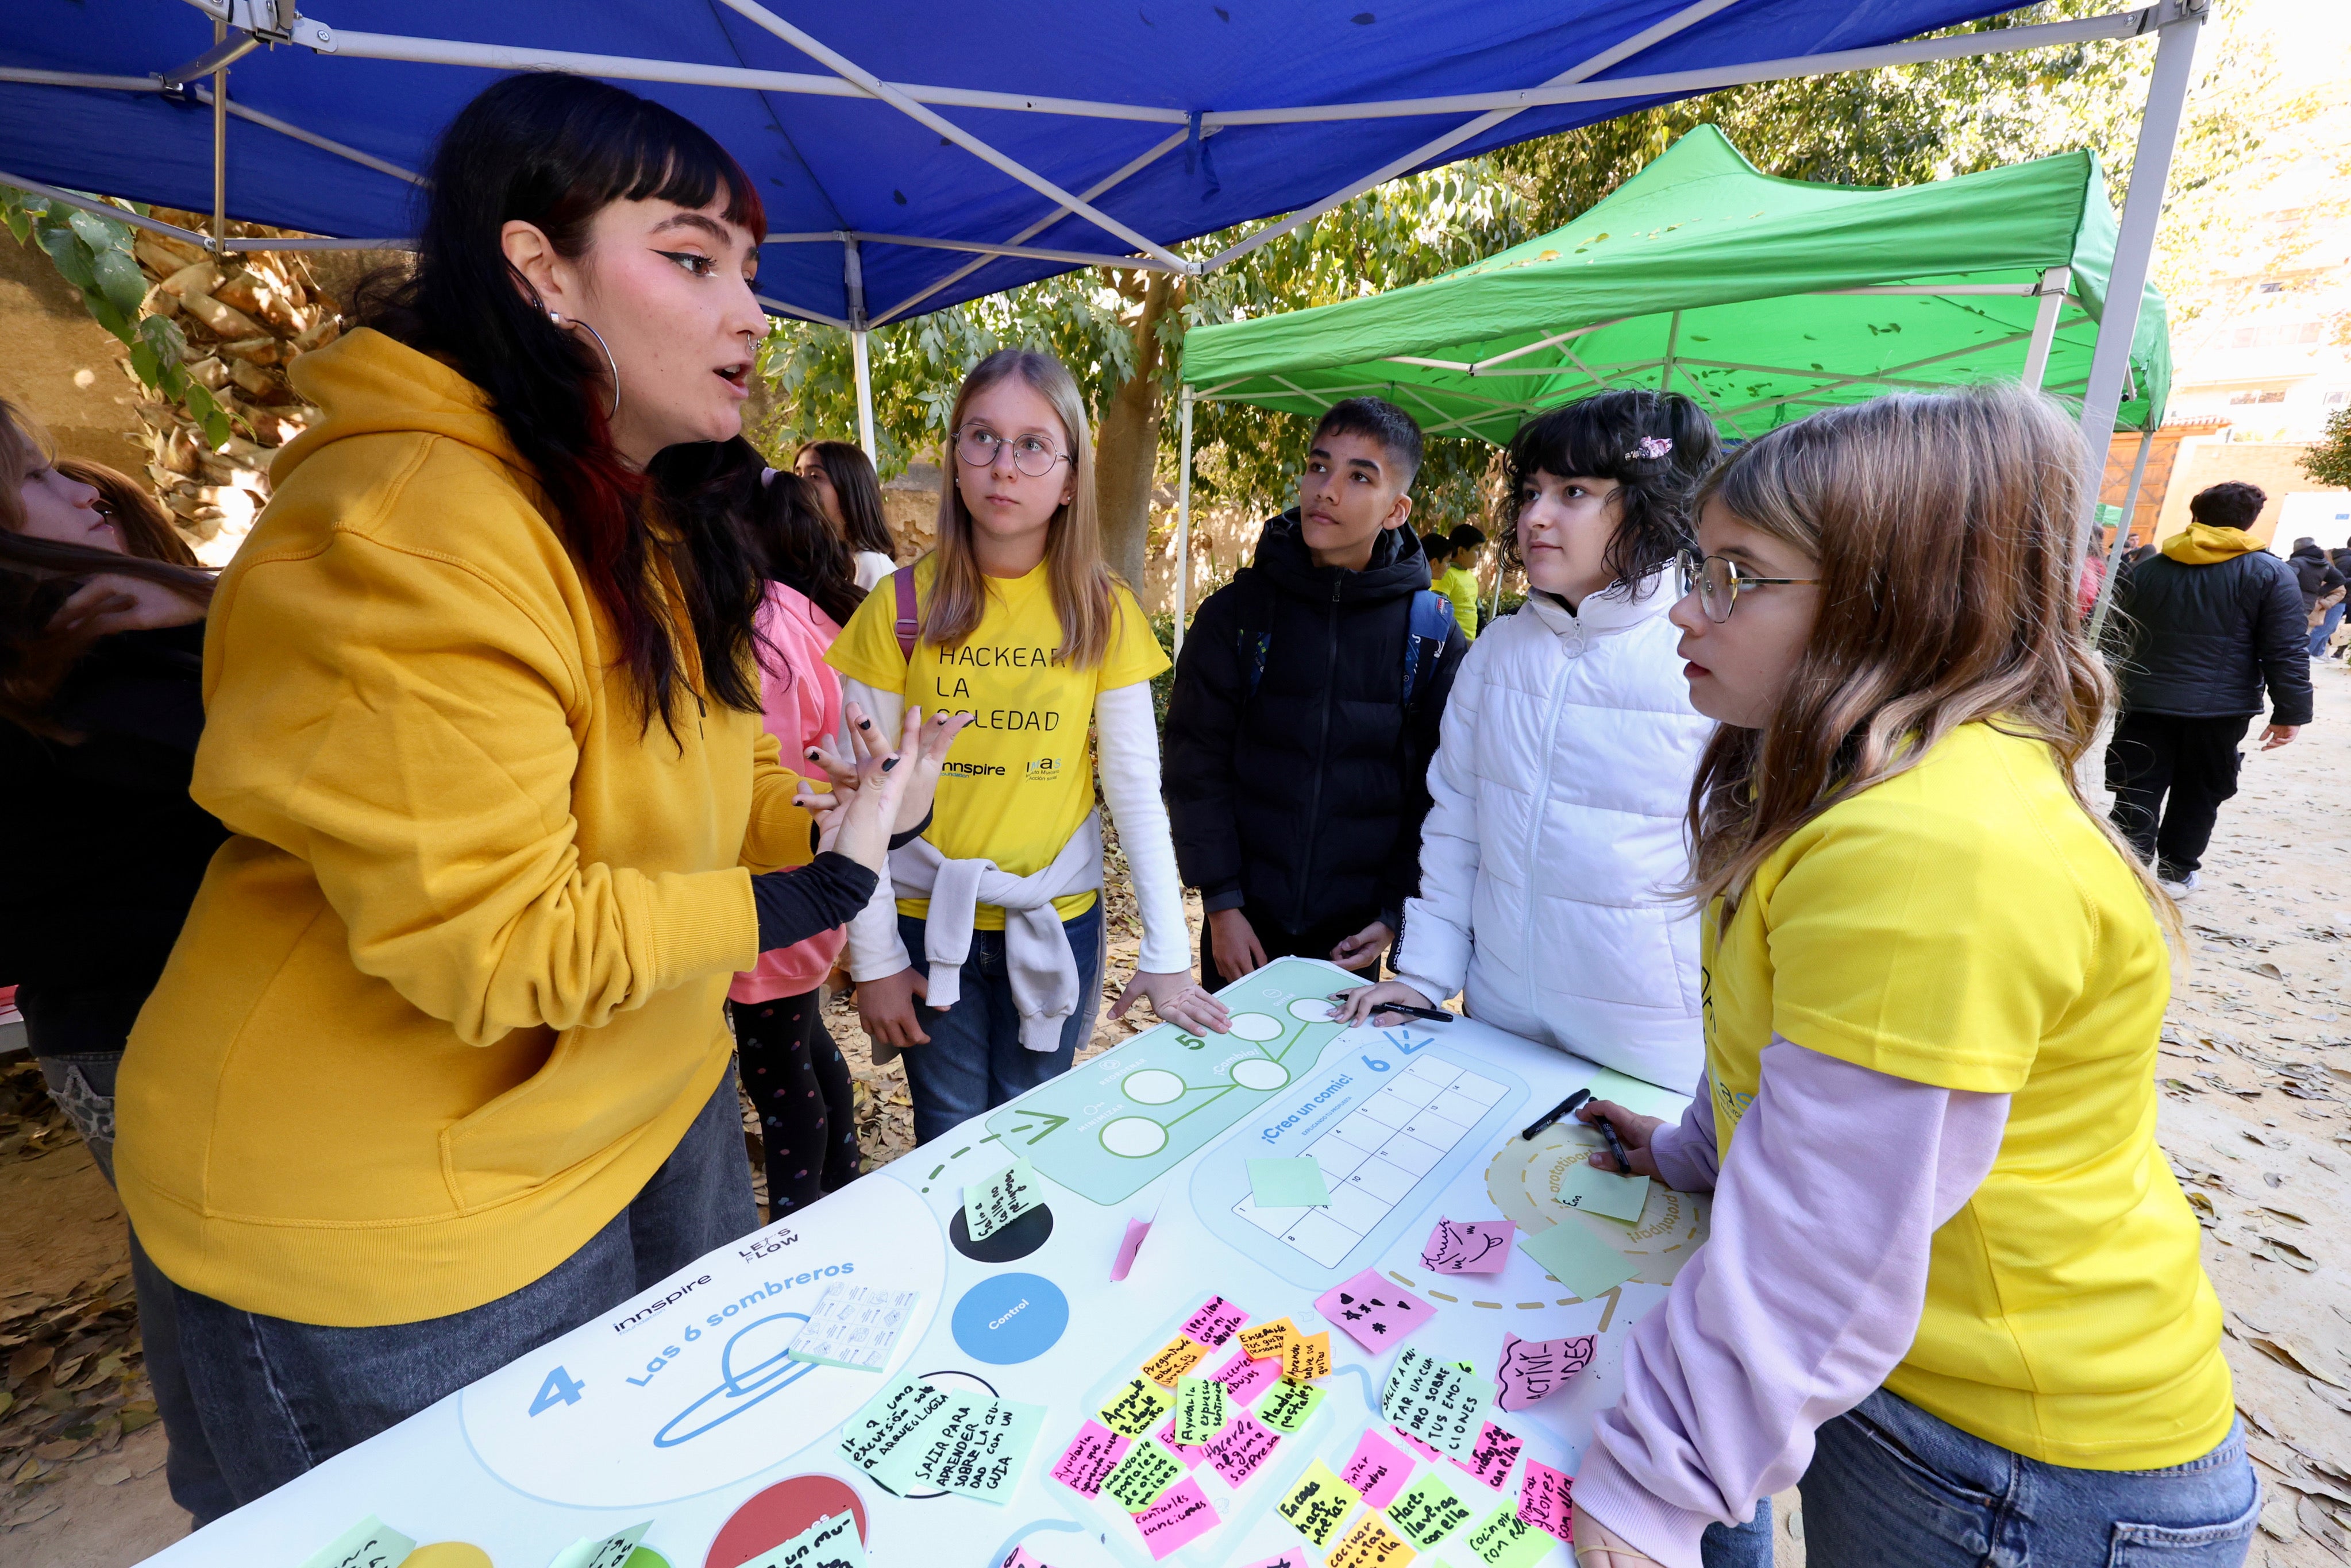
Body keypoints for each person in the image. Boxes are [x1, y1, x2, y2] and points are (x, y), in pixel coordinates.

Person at [111, 74, 960, 1517]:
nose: (751, 313)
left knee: (656, 1512)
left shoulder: (650, 508)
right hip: (392, 1211)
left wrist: (837, 817)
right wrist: (792, 900)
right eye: (692, 260)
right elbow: (490, 940)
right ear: (537, 271)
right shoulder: (409, 531)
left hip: (648, 1107)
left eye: (751, 271)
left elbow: (706, 769)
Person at [1568, 387, 2253, 1568]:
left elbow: (1828, 1239)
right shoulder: (1865, 785)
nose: (1689, 607)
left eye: (1739, 575)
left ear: (1897, 601)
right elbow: (1790, 1056)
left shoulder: (1928, 847)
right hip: (1930, 1410)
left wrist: (1654, 1489)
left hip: (2025, 1470)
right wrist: (1694, 1150)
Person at [827, 349, 1227, 1145]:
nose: (1003, 467)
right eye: (981, 438)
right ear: (954, 457)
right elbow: (862, 799)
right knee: (948, 1138)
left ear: (1072, 475)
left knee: (1037, 1131)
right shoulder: (899, 605)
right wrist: (872, 959)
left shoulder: (1102, 609)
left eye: (1033, 445)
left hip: (1057, 919)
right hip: (924, 918)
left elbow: (1134, 788)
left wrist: (1168, 948)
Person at [1334, 391, 1720, 1091]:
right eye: (1533, 491)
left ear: (1649, 505)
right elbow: (1456, 830)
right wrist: (1423, 978)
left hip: (1656, 1051)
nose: (1536, 516)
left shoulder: (1704, 658)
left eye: (1574, 492)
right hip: (1500, 1022)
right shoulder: (1497, 654)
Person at [0, 403, 232, 1522]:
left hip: (175, 1023)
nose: (85, 492)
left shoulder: (124, 662)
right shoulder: (73, 697)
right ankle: (235, 1503)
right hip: (135, 1029)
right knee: (219, 1281)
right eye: (39, 480)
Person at [1164, 397, 1467, 989]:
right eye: (1318, 466)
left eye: (1360, 477)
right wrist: (1221, 903)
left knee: (1330, 1081)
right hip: (1241, 924)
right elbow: (1194, 765)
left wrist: (1391, 913)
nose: (1327, 490)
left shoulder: (1429, 634)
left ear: (1396, 511)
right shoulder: (1238, 615)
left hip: (1352, 937)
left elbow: (1439, 789)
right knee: (1232, 1074)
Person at [669, 442, 876, 1217]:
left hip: (772, 893)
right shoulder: (815, 616)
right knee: (806, 1048)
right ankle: (843, 1189)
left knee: (777, 1077)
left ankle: (799, 1222)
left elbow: (775, 770)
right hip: (808, 889)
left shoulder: (760, 631)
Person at [2103, 481, 2310, 897]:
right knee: (2200, 791)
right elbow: (2286, 649)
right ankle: (2176, 873)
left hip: (2144, 701)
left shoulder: (2148, 568)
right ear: (2250, 522)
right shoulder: (2270, 573)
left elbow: (2115, 634)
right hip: (2220, 709)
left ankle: (2126, 873)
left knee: (2136, 784)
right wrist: (2291, 712)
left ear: (2194, 515)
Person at [794, 438, 899, 591]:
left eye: (815, 476)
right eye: (798, 474)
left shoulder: (870, 565)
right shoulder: (818, 562)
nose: (799, 484)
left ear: (849, 491)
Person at [2288, 535, 2347, 657]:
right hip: (2309, 605)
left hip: (2291, 604)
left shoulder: (2297, 562)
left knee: (2287, 639)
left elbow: (2285, 580)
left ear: (2296, 549)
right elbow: (2340, 579)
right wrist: (2319, 592)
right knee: (2302, 637)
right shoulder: (2324, 564)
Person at [1427, 522, 1485, 641]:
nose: (1481, 555)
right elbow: (1438, 613)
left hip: (1469, 643)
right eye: (1477, 550)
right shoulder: (1446, 575)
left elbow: (1478, 612)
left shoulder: (1471, 577)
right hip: (1451, 642)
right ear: (1462, 551)